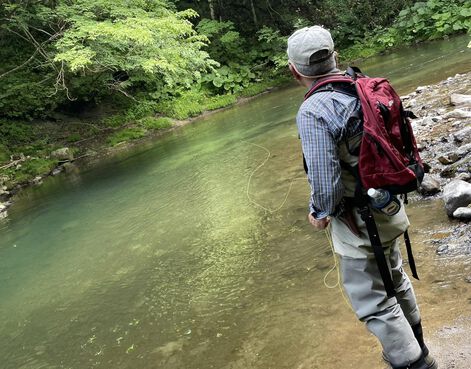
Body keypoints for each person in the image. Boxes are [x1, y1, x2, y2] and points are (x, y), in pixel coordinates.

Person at [287, 26, 438, 369]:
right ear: (334, 55)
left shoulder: (313, 111)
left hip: (359, 222)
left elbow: (326, 186)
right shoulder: (364, 85)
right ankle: (420, 348)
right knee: (395, 278)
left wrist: (320, 213)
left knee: (372, 300)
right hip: (390, 205)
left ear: (294, 71)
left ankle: (415, 364)